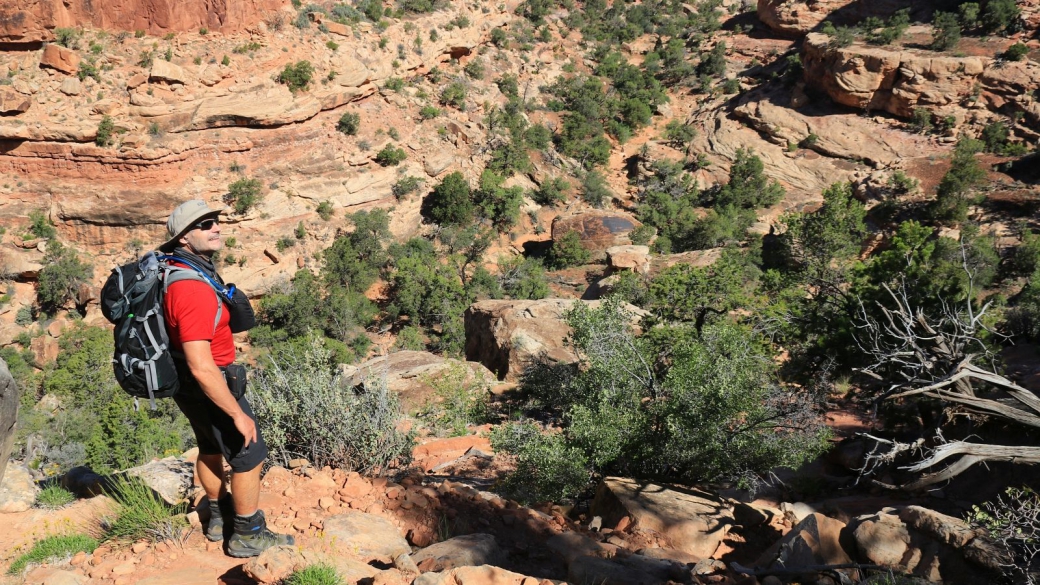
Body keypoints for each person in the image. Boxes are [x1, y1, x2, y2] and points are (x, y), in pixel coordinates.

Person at [159, 199, 293, 557]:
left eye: (214, 221)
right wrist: (236, 412)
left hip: (182, 380)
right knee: (249, 454)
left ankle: (218, 519)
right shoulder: (192, 288)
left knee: (209, 446)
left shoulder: (174, 268)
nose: (215, 227)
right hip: (209, 381)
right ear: (183, 238)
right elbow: (202, 365)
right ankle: (248, 534)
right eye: (203, 225)